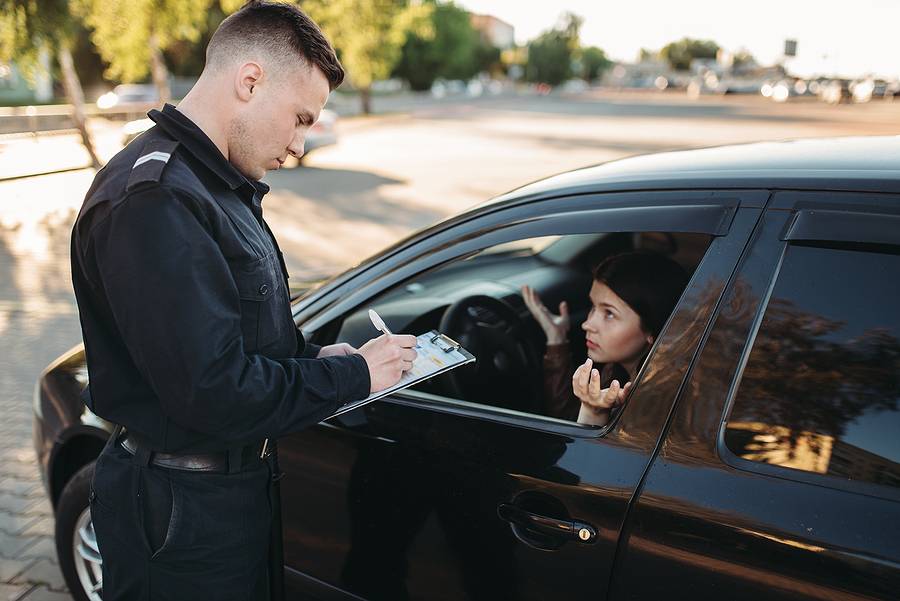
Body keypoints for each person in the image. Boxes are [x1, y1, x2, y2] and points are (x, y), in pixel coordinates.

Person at [69, 2, 417, 599]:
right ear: (250, 81)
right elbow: (213, 392)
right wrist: (354, 378)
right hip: (178, 515)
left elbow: (243, 334)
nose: (301, 146)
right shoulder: (157, 201)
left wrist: (316, 359)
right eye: (301, 118)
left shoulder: (215, 184)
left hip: (222, 496)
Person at [522, 251, 688, 426]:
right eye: (593, 306)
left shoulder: (653, 408)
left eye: (609, 313)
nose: (587, 324)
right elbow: (569, 419)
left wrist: (594, 413)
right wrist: (556, 338)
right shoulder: (615, 369)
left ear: (653, 331)